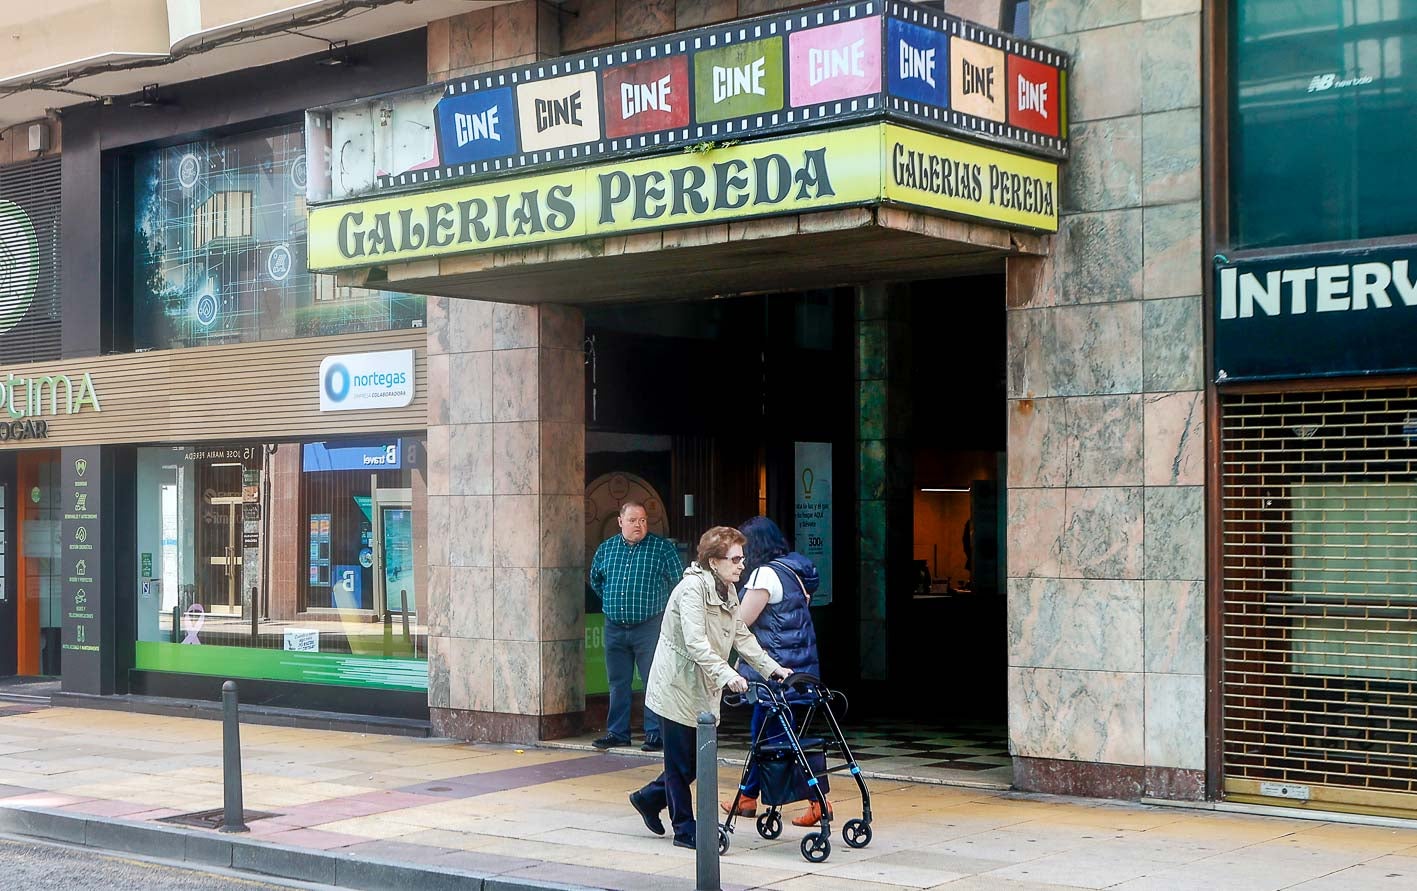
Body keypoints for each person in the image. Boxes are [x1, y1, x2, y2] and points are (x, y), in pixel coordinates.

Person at [627, 526, 791, 849]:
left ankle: (648, 798)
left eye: (742, 558)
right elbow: (696, 642)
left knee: (693, 762)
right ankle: (685, 829)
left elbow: (742, 636)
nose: (742, 565)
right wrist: (727, 674)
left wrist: (773, 669)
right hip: (676, 684)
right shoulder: (692, 589)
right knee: (680, 762)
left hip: (700, 686)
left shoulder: (727, 589)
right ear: (713, 561)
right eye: (735, 559)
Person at [721, 516, 831, 828]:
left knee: (783, 741)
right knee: (763, 736)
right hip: (797, 670)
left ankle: (818, 800)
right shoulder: (795, 571)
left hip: (774, 675)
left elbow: (742, 621)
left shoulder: (765, 575)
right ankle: (747, 796)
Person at [588, 501, 683, 752]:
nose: (638, 525)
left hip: (649, 625)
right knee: (618, 682)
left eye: (642, 520)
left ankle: (654, 733)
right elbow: (596, 581)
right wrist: (614, 603)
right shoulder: (607, 549)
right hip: (614, 626)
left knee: (653, 680)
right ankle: (617, 732)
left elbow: (679, 584)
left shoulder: (661, 549)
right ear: (620, 522)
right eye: (632, 520)